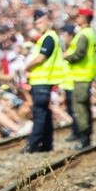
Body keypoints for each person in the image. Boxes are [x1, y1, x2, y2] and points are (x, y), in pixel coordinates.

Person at [22, 9, 63, 153]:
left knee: (39, 114)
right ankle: (46, 144)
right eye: (36, 23)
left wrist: (27, 67)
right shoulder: (46, 37)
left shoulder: (48, 37)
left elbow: (41, 58)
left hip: (42, 81)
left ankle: (32, 144)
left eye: (39, 22)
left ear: (48, 21)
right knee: (44, 113)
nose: (37, 25)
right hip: (43, 81)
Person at [63, 8, 96, 149]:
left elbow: (79, 54)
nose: (77, 18)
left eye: (79, 16)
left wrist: (66, 57)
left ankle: (84, 137)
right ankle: (86, 135)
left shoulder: (84, 34)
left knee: (80, 107)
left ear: (85, 18)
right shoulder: (88, 33)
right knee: (83, 106)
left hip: (82, 75)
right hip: (84, 75)